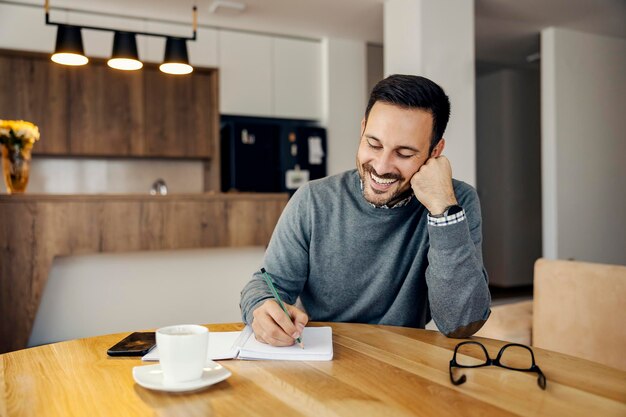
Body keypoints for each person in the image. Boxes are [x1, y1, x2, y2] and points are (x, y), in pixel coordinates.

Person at [240, 74, 491, 346]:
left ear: (435, 152)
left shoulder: (455, 202)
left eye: (404, 153)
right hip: (324, 359)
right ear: (362, 130)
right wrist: (261, 306)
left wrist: (443, 211)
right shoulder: (313, 200)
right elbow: (267, 284)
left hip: (406, 364)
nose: (382, 167)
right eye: (373, 144)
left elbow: (461, 322)